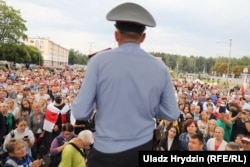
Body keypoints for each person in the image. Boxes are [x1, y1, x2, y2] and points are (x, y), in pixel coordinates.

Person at [71, 2, 180, 167]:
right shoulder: (160, 68)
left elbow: (80, 111)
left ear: (116, 35)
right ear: (143, 37)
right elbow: (172, 113)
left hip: (104, 153)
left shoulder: (98, 61)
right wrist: (149, 106)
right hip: (142, 149)